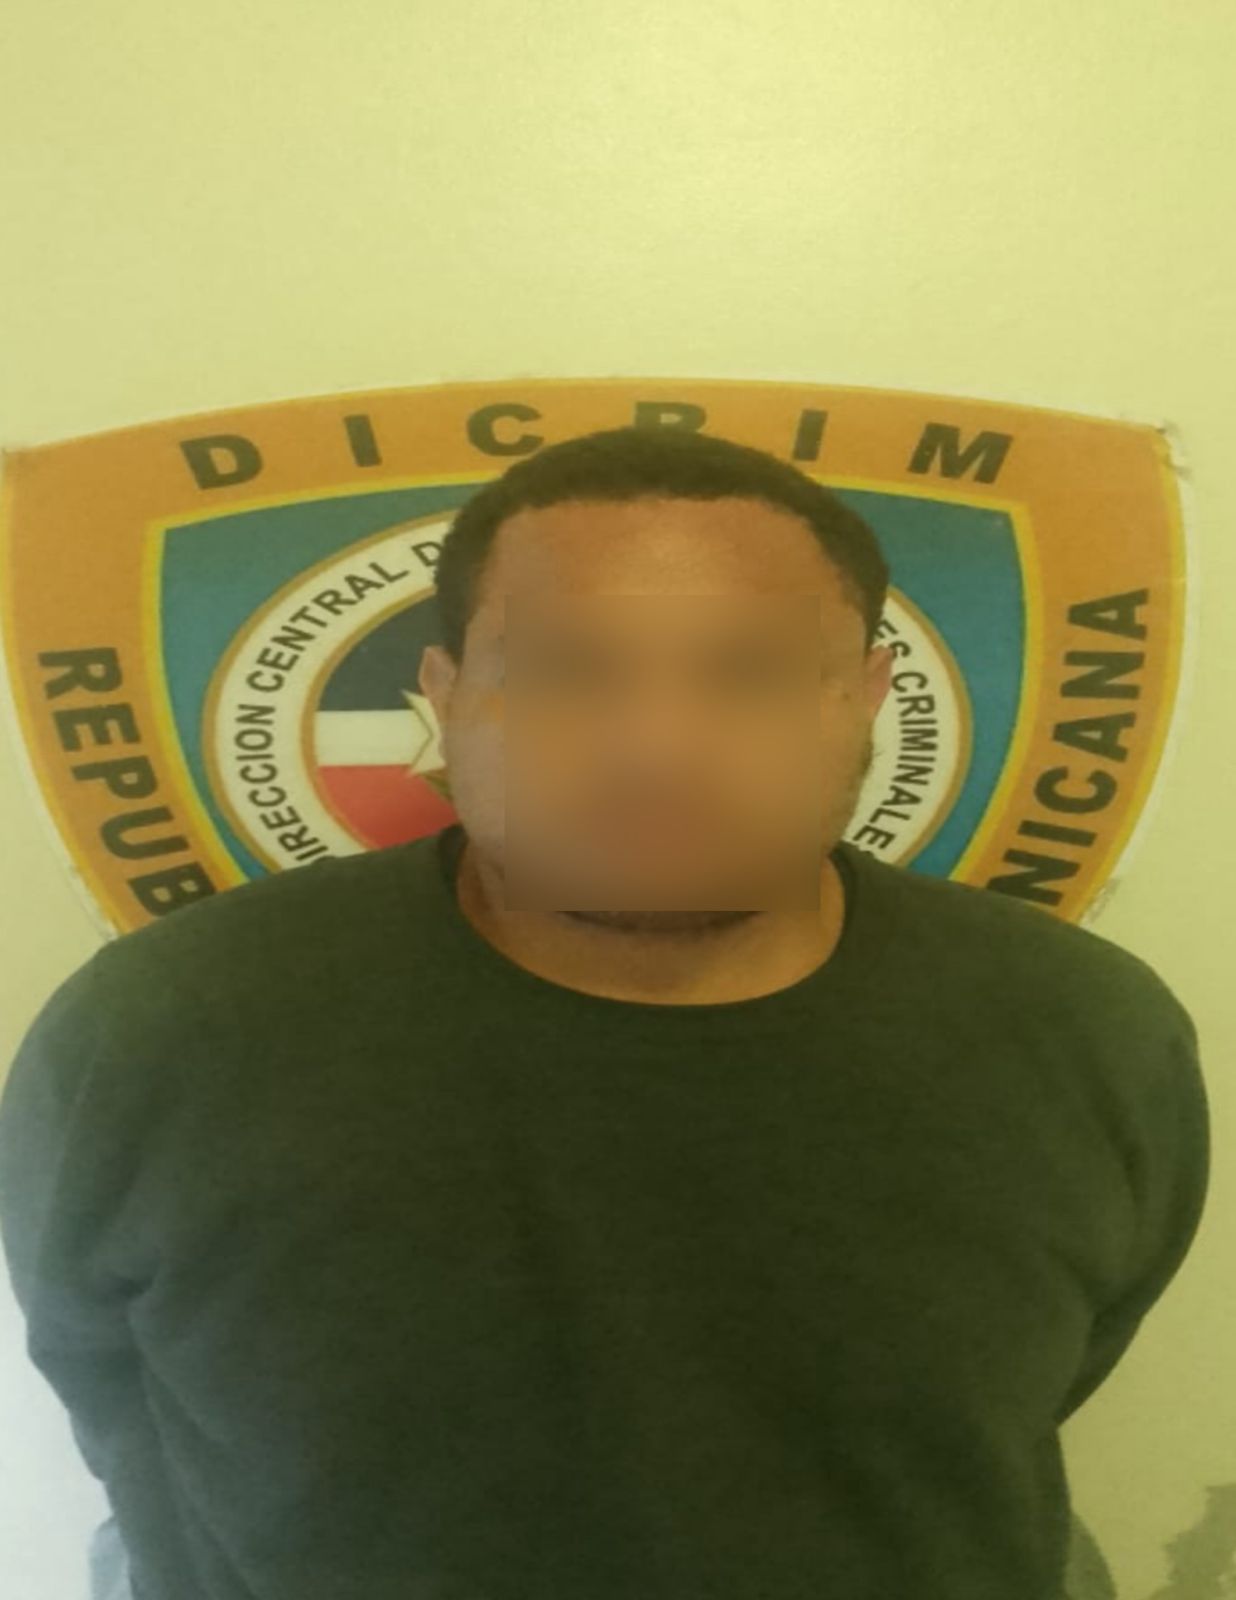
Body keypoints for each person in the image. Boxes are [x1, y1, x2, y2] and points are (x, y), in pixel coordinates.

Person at [0, 425, 1208, 1600]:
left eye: (752, 672)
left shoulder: (1083, 1032)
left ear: (868, 697)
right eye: (566, 672)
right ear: (446, 696)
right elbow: (105, 1380)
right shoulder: (165, 1030)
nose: (656, 748)